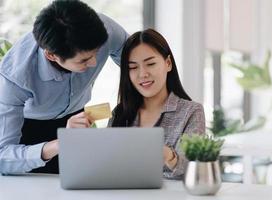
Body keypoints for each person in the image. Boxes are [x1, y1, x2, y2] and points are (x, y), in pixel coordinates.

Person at [0, 0, 128, 174]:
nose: (94, 63)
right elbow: (3, 157)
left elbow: (136, 61)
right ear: (52, 55)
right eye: (83, 60)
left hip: (77, 118)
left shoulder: (105, 29)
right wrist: (61, 142)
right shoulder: (14, 78)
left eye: (96, 52)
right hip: (30, 129)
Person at [110, 29, 205, 179]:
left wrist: (169, 156)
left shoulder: (191, 111)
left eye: (151, 64)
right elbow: (108, 167)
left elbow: (195, 171)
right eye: (133, 67)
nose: (142, 74)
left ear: (168, 63)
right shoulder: (120, 113)